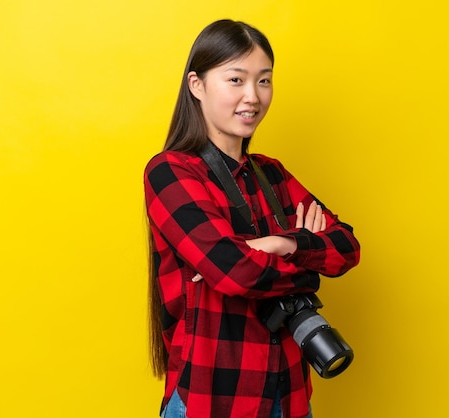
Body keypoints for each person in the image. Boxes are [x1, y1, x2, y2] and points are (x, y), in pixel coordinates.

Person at [144, 19, 360, 418]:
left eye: (264, 81)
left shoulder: (272, 173)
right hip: (212, 400)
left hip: (289, 398)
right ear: (197, 85)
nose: (253, 96)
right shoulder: (171, 172)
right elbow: (234, 272)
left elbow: (347, 247)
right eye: (235, 80)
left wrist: (283, 244)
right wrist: (307, 267)